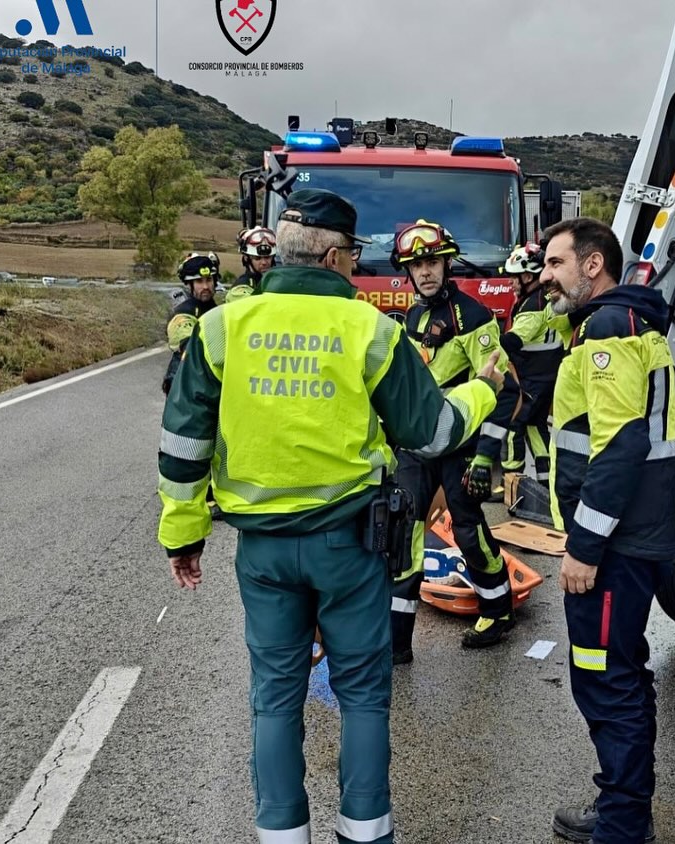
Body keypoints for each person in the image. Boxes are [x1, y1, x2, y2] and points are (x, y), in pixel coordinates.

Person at [157, 188, 503, 844]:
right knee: (364, 697)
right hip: (350, 547)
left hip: (262, 553)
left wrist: (183, 533)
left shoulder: (221, 329)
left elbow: (182, 444)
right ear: (336, 255)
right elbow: (430, 434)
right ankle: (364, 835)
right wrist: (484, 387)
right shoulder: (368, 328)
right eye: (355, 259)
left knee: (275, 700)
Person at [540, 218, 675, 844]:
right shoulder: (630, 322)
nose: (545, 276)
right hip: (631, 536)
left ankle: (622, 827)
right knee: (620, 671)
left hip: (612, 545)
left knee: (605, 679)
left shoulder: (607, 329)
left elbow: (620, 444)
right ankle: (624, 811)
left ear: (592, 265)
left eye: (554, 263)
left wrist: (583, 546)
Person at [389, 219, 521, 662]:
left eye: (432, 262)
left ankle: (498, 609)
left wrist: (486, 457)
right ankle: (397, 639)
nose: (425, 272)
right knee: (401, 529)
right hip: (417, 444)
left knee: (467, 529)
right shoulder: (412, 316)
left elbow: (507, 389)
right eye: (416, 265)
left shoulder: (474, 318)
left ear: (447, 264)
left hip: (462, 443)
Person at [499, 242, 564, 487]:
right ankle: (547, 481)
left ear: (527, 276)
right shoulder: (546, 297)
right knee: (535, 426)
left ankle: (511, 483)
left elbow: (514, 341)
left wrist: (486, 344)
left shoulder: (532, 307)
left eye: (514, 278)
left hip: (530, 378)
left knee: (514, 425)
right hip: (547, 376)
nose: (511, 283)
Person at [161, 251, 220, 395]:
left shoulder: (218, 310)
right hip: (184, 388)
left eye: (208, 280)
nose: (205, 286)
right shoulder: (182, 314)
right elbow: (189, 346)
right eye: (199, 281)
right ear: (190, 284)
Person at [226, 225, 277, 302]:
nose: (264, 262)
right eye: (257, 258)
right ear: (247, 258)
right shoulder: (240, 290)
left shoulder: (274, 282)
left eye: (267, 257)